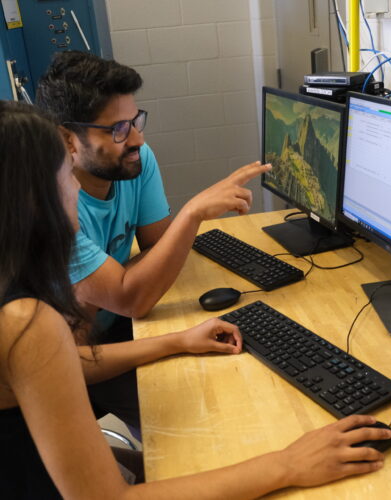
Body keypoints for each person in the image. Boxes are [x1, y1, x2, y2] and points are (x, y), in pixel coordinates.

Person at [0, 100, 391, 498]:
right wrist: (287, 464)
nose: (77, 187)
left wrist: (176, 341)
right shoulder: (25, 322)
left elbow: (65, 362)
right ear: (33, 198)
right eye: (67, 174)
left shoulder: (14, 295)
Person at [36, 51, 270, 435]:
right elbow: (136, 299)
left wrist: (114, 285)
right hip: (76, 362)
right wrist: (192, 213)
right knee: (201, 431)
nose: (138, 139)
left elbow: (157, 258)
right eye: (118, 129)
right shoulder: (52, 205)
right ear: (67, 139)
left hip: (112, 331)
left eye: (136, 121)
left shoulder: (136, 160)